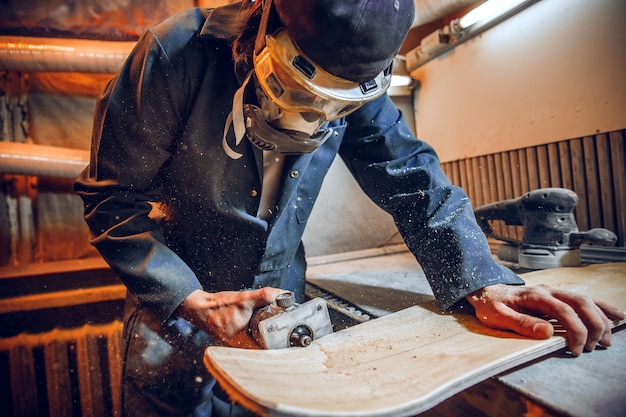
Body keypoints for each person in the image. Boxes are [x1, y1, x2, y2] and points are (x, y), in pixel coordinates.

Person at [74, 0, 624, 416]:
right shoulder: (175, 55)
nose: (314, 117)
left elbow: (411, 178)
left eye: (337, 105)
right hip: (175, 313)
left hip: (280, 312)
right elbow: (110, 198)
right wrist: (189, 296)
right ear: (268, 20)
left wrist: (483, 281)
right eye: (303, 85)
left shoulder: (354, 69)